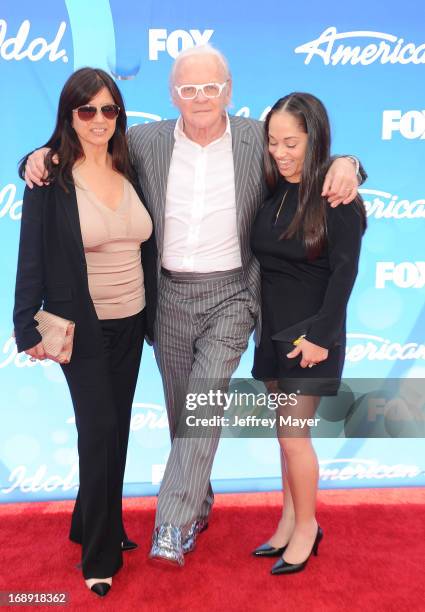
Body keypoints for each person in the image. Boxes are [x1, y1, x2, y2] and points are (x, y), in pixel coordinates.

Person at [24, 44, 365, 568]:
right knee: (184, 414)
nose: (201, 98)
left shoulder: (258, 138)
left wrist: (351, 164)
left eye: (211, 87)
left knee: (203, 408)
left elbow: (311, 152)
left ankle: (172, 524)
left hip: (233, 294)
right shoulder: (143, 140)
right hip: (167, 295)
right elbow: (83, 150)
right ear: (172, 95)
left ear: (229, 90)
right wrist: (33, 157)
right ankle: (198, 503)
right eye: (188, 89)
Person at [14, 67, 155, 596]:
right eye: (87, 110)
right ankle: (98, 558)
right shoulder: (48, 175)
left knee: (114, 432)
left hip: (134, 319)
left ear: (120, 115)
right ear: (70, 116)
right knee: (98, 436)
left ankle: (94, 524)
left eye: (109, 109)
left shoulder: (131, 166)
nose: (99, 120)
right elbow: (31, 253)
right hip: (83, 327)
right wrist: (24, 321)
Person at [250, 92, 366, 574]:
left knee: (295, 438)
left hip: (311, 337)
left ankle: (307, 528)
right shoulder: (275, 190)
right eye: (273, 141)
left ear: (314, 139)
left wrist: (321, 337)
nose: (280, 151)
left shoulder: (336, 196)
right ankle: (288, 521)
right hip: (274, 331)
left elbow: (345, 275)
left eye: (291, 142)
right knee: (285, 437)